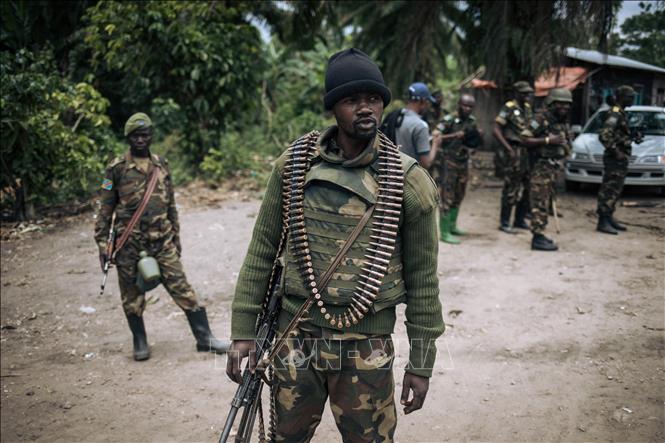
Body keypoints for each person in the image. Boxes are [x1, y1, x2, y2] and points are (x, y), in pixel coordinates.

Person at [226, 48, 445, 442]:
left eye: (374, 99)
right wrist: (243, 331)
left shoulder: (409, 181)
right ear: (333, 107)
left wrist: (421, 362)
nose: (365, 109)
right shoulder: (294, 165)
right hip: (296, 338)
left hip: (366, 348)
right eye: (351, 100)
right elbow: (261, 251)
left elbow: (423, 280)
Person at [94, 113, 229, 361]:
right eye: (135, 136)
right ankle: (140, 341)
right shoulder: (116, 169)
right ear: (128, 138)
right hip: (129, 244)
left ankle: (205, 338)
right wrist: (103, 244)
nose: (140, 140)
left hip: (162, 241)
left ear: (151, 136)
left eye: (144, 135)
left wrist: (176, 237)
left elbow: (171, 205)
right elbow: (105, 209)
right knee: (132, 296)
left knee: (183, 289)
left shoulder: (161, 165)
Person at [520, 88, 572, 251]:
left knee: (545, 202)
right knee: (539, 202)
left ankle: (540, 233)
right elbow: (524, 138)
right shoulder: (541, 118)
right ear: (551, 103)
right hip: (540, 167)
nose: (564, 107)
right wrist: (548, 140)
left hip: (552, 168)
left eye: (567, 104)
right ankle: (537, 237)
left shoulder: (561, 120)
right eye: (560, 104)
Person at [430, 93, 482, 244]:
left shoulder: (472, 121)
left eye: (470, 107)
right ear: (459, 104)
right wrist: (454, 135)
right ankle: (444, 232)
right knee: (447, 196)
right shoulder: (449, 120)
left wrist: (474, 144)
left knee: (460, 194)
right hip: (448, 163)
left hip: (463, 162)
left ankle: (452, 226)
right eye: (465, 105)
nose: (467, 109)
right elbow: (435, 136)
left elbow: (472, 139)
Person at [493, 80, 534, 233]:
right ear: (516, 93)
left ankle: (519, 219)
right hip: (514, 150)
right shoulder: (509, 107)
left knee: (528, 186)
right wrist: (508, 148)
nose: (527, 95)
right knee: (511, 187)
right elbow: (496, 129)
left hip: (527, 151)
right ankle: (504, 222)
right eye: (524, 93)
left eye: (528, 93)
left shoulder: (528, 108)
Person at [596, 85, 636, 234]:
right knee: (609, 189)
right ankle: (603, 221)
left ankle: (609, 217)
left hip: (621, 158)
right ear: (622, 97)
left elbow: (619, 135)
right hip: (614, 159)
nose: (632, 99)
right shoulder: (614, 113)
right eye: (630, 97)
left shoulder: (621, 113)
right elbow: (604, 135)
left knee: (615, 190)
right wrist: (616, 151)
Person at [395, 82, 442, 169]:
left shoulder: (396, 117)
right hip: (410, 174)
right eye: (427, 102)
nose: (428, 106)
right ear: (422, 102)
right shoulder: (420, 125)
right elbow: (426, 163)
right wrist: (435, 144)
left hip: (393, 170)